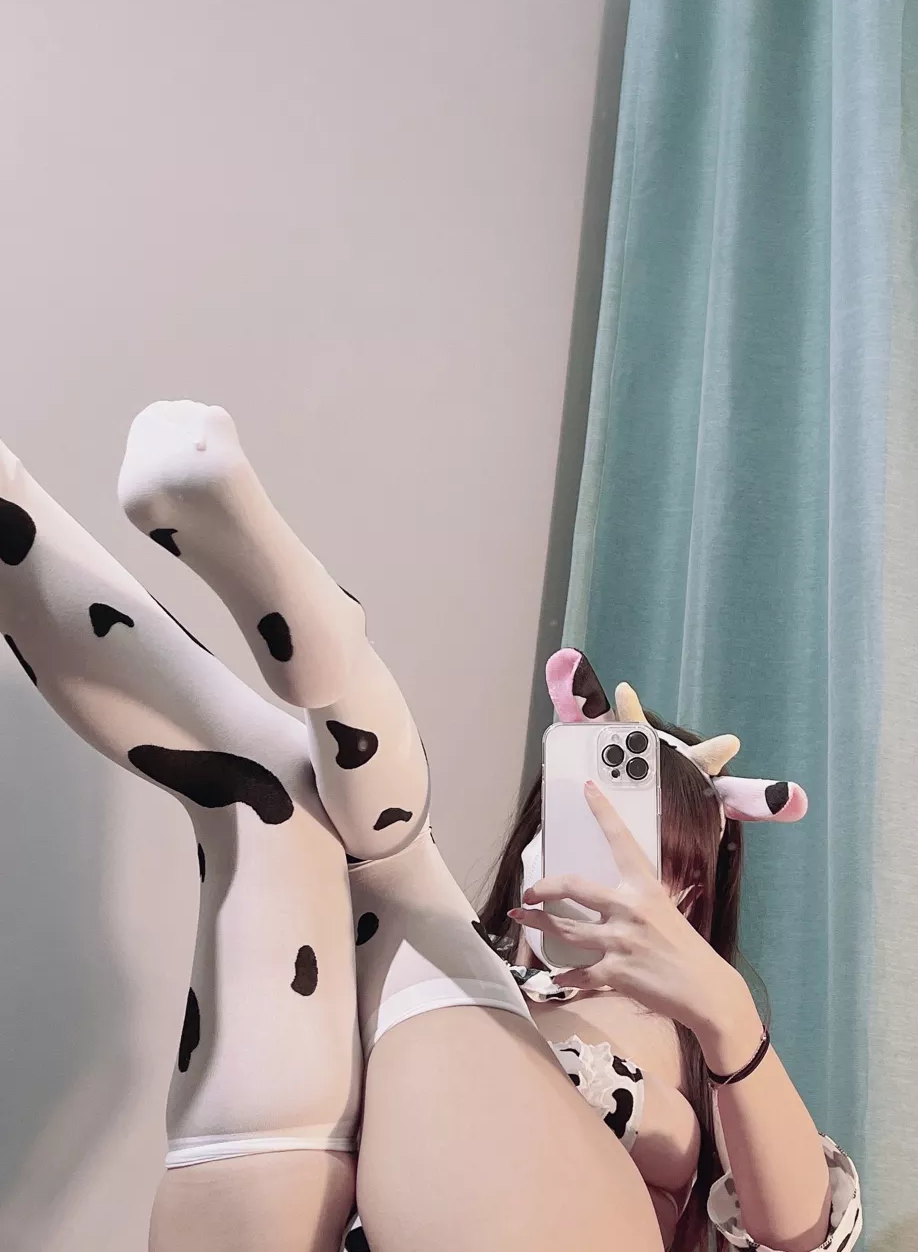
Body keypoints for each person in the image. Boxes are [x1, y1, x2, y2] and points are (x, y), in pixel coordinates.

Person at [0, 402, 662, 1252]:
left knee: (382, 865)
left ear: (693, 894)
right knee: (265, 803)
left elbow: (794, 1215)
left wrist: (713, 1029)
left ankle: (336, 651)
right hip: (311, 1186)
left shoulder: (680, 1035)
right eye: (568, 826)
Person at [475, 649, 864, 1252]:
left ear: (687, 895)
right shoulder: (450, 966)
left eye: (644, 854)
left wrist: (727, 1014)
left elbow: (802, 1237)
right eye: (581, 830)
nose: (601, 869)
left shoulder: (703, 1044)